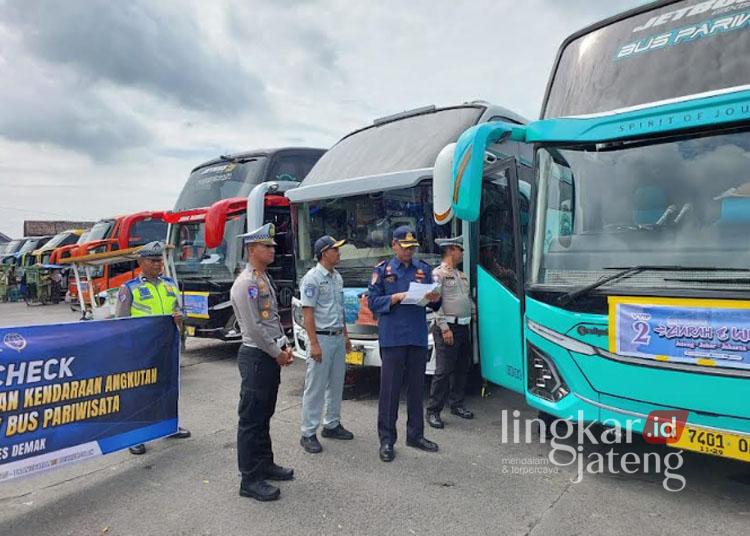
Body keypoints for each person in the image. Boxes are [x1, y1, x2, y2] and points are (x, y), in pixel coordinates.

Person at [230, 223, 294, 502]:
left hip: (268, 354)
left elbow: (272, 318)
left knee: (264, 415)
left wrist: (284, 344)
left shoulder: (262, 278)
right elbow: (254, 327)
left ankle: (265, 464)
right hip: (257, 356)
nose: (272, 250)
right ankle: (250, 478)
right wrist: (275, 352)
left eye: (272, 246)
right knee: (251, 420)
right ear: (252, 249)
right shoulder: (245, 284)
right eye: (267, 246)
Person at [367, 226, 441, 462]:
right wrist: (394, 298)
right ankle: (387, 440)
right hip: (393, 339)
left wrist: (435, 299)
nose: (409, 251)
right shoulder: (383, 270)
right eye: (405, 247)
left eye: (412, 247)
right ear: (394, 245)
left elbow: (434, 304)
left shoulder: (423, 270)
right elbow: (373, 302)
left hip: (417, 337)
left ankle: (415, 435)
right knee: (389, 392)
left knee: (417, 389)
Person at [115, 241, 192, 455]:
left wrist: (180, 317)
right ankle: (135, 436)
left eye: (160, 260)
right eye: (154, 260)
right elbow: (120, 322)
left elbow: (178, 310)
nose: (159, 264)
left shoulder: (169, 284)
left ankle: (168, 427)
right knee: (139, 393)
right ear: (141, 262)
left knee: (166, 389)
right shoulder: (129, 288)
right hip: (140, 350)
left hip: (166, 347)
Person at [299, 235, 355, 454]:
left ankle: (331, 424)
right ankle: (308, 432)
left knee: (336, 382)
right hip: (320, 338)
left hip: (337, 337)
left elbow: (339, 310)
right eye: (336, 250)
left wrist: (346, 336)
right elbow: (308, 314)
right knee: (315, 387)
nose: (339, 254)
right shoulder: (312, 279)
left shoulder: (336, 277)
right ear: (324, 253)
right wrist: (313, 344)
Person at [426, 236, 475, 429]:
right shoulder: (438, 274)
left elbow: (466, 298)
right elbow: (435, 304)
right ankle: (433, 411)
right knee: (443, 371)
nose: (462, 253)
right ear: (452, 250)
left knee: (462, 367)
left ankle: (457, 404)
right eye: (460, 250)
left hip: (463, 327)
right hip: (448, 328)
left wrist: (473, 312)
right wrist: (444, 328)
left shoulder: (459, 274)